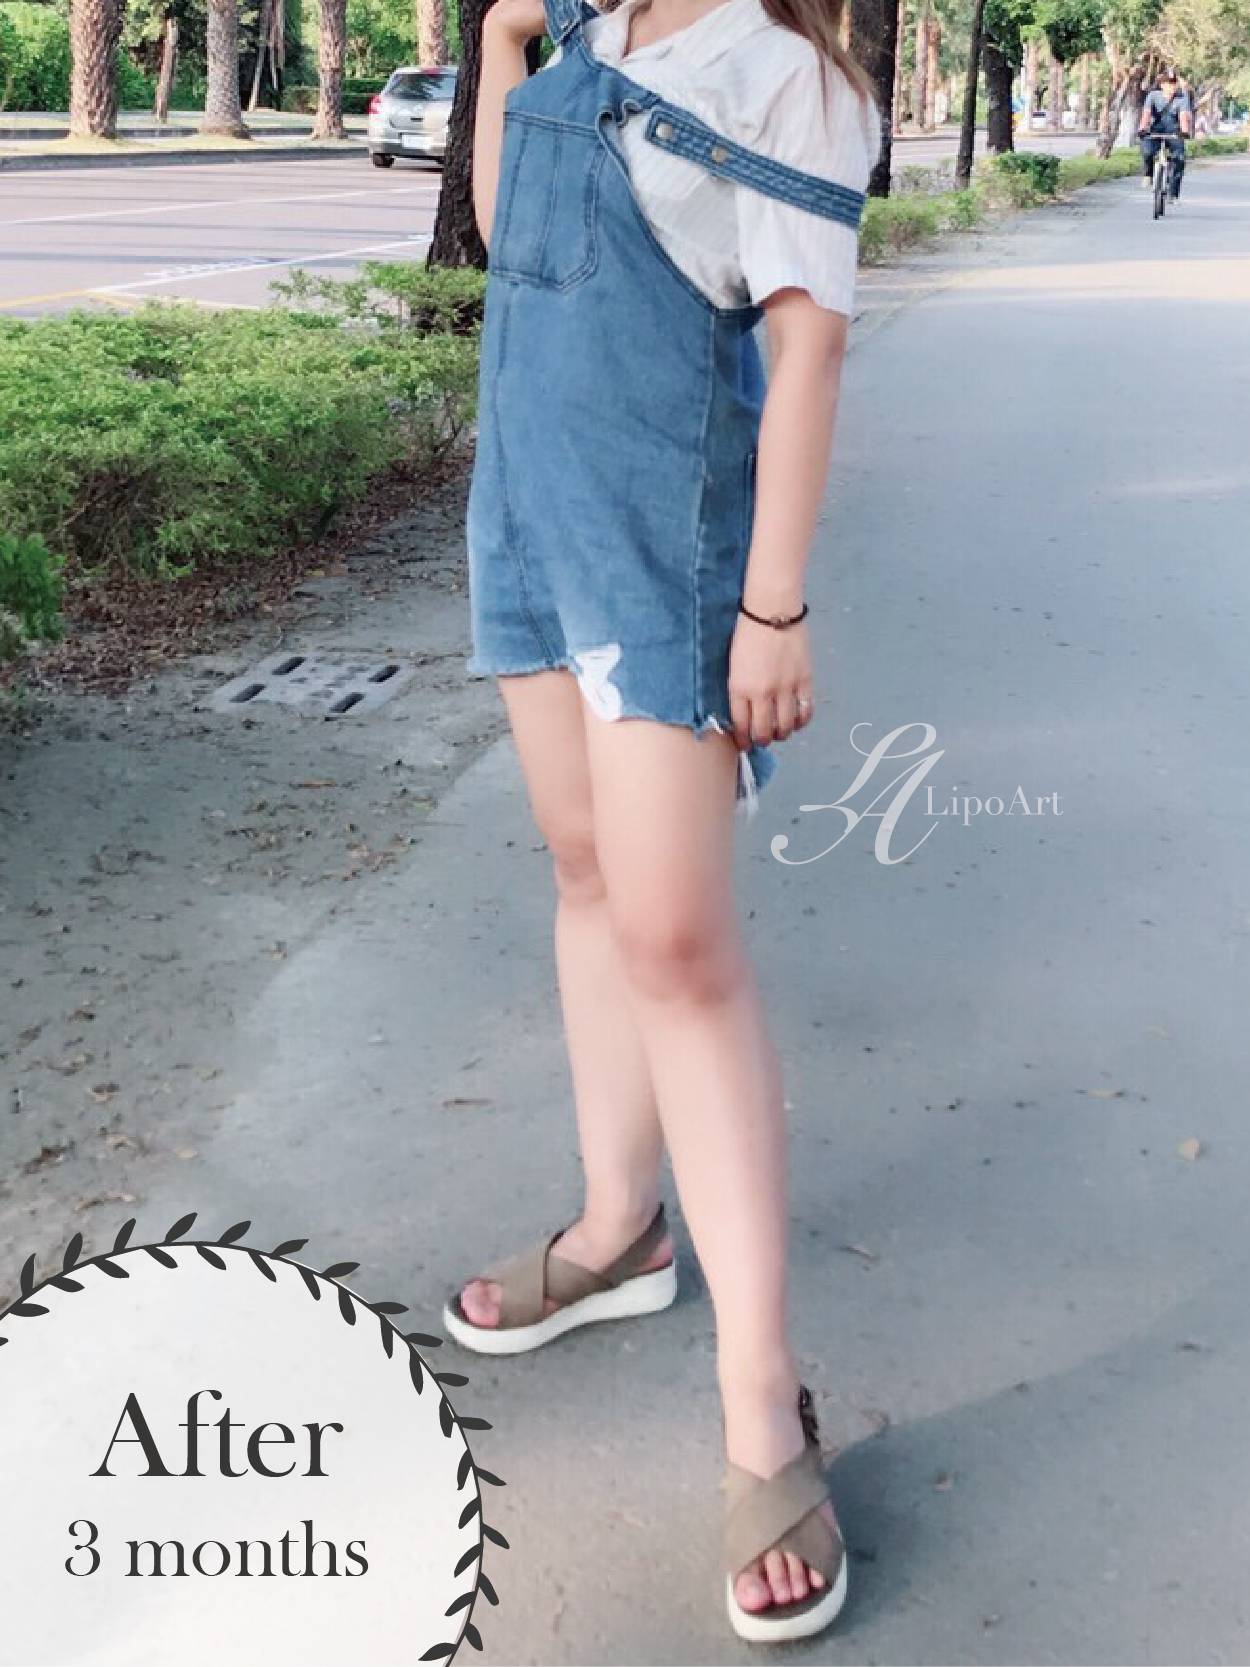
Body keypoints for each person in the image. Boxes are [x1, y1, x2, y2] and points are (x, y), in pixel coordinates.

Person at [442, 0, 879, 1644]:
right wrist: (504, 47)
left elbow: (808, 344)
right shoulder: (583, 31)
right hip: (524, 514)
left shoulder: (780, 74)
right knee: (582, 870)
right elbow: (514, 243)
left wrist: (772, 608)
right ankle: (619, 1227)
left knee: (678, 944)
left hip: (664, 541)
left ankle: (762, 1404)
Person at [1140, 68, 1193, 201]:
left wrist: (1185, 132)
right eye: (1169, 83)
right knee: (1147, 151)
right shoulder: (1153, 96)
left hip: (1175, 132)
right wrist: (1142, 129)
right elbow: (1146, 114)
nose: (1172, 86)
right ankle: (1148, 174)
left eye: (1174, 83)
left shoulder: (1182, 98)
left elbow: (1183, 116)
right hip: (1156, 130)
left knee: (1179, 159)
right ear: (1162, 85)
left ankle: (1173, 194)